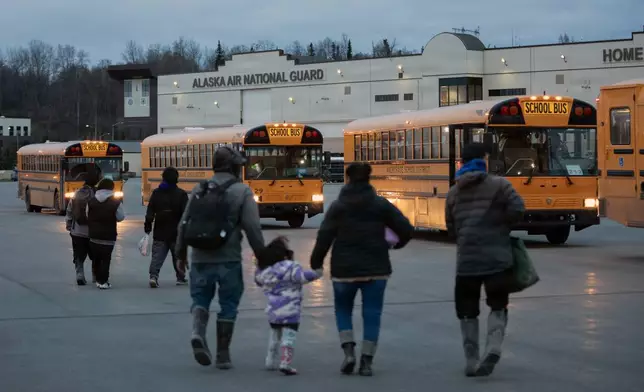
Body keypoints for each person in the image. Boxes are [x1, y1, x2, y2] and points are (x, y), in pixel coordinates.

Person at [310, 162, 414, 377]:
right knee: (372, 313)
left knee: (343, 309)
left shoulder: (338, 206)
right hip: (376, 268)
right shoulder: (380, 205)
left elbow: (324, 236)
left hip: (344, 270)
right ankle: (367, 361)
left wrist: (316, 262)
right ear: (369, 179)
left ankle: (349, 352)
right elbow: (406, 229)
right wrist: (395, 245)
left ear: (348, 179)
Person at [176, 146, 265, 369]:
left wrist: (180, 254)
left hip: (199, 258)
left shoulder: (199, 188)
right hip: (229, 258)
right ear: (234, 166)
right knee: (228, 305)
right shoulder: (241, 191)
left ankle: (198, 330)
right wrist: (262, 256)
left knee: (200, 300)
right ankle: (223, 355)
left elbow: (183, 224)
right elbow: (253, 227)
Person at [445, 143, 525, 377]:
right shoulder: (501, 185)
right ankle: (494, 346)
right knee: (498, 305)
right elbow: (518, 209)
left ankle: (471, 359)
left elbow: (450, 228)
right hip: (498, 260)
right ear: (483, 160)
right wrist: (501, 224)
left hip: (467, 262)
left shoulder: (453, 192)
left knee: (467, 310)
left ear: (462, 162)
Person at [254, 236, 321, 375]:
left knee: (274, 336)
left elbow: (258, 280)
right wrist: (317, 274)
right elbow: (302, 277)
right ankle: (285, 363)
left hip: (274, 311)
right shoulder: (291, 267)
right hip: (291, 311)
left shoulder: (265, 272)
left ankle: (270, 360)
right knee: (288, 337)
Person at [144, 167, 189, 288]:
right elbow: (186, 214)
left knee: (157, 256)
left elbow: (150, 211)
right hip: (176, 232)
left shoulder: (157, 193)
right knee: (178, 255)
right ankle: (180, 277)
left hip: (160, 230)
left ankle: (153, 276)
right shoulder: (181, 194)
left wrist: (147, 227)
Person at [87, 178, 125, 290]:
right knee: (106, 258)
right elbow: (120, 217)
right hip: (109, 235)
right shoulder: (115, 202)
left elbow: (87, 215)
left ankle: (98, 279)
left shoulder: (91, 201)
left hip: (94, 235)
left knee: (97, 258)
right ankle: (103, 281)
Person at [65, 168, 100, 286]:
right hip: (94, 231)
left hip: (78, 231)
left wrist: (69, 224)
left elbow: (70, 210)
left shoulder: (77, 193)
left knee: (79, 254)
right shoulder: (97, 194)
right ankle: (96, 276)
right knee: (95, 255)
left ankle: (80, 274)